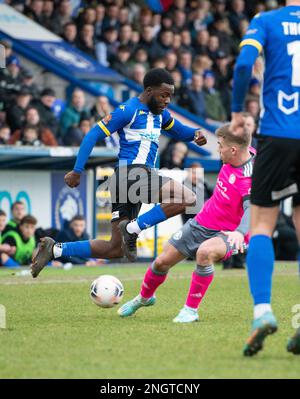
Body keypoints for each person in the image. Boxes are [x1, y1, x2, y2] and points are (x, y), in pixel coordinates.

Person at [31, 68, 207, 277]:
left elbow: (180, 131)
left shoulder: (160, 114)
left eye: (170, 96)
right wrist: (77, 170)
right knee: (188, 197)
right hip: (132, 174)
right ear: (149, 91)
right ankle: (133, 229)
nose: (167, 100)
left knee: (115, 249)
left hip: (130, 180)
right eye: (164, 95)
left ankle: (55, 249)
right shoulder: (128, 110)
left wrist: (195, 134)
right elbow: (92, 135)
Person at [118, 124, 254, 322]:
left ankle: (190, 310)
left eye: (220, 145)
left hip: (231, 232)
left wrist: (241, 233)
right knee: (161, 262)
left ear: (233, 150)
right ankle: (144, 298)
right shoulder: (242, 152)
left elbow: (252, 208)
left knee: (204, 253)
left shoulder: (248, 178)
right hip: (203, 221)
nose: (218, 149)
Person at [230, 0, 300, 356]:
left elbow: (244, 64)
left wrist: (237, 111)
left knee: (261, 225)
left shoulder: (267, 21)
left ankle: (262, 312)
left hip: (278, 133)